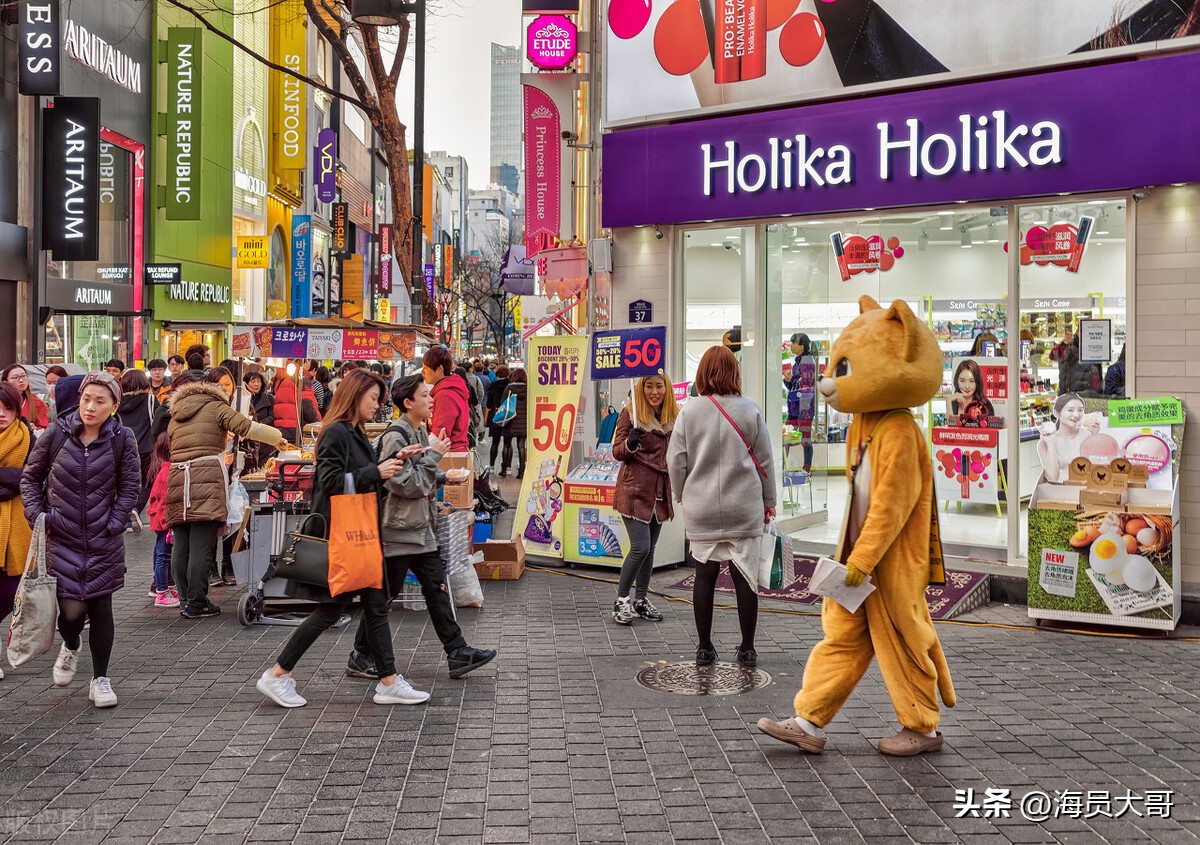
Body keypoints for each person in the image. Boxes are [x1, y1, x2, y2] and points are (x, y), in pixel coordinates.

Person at [757, 296, 956, 758]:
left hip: (888, 564)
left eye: (842, 368)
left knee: (904, 638)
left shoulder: (902, 432)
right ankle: (808, 720)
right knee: (842, 638)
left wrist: (863, 557)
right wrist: (852, 557)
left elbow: (890, 507)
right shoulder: (864, 424)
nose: (828, 380)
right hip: (857, 563)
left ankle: (923, 727)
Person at [255, 369, 428, 708]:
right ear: (355, 395)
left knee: (372, 607)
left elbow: (362, 475)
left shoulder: (353, 431)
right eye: (373, 398)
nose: (377, 406)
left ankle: (389, 680)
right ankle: (277, 674)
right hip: (343, 536)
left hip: (358, 535)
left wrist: (393, 461)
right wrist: (376, 472)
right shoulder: (337, 432)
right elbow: (332, 482)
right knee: (331, 611)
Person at [351, 374, 498, 680]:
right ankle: (361, 655)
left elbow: (419, 473)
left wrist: (445, 477)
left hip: (420, 527)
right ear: (408, 402)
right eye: (426, 395)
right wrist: (435, 458)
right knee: (385, 597)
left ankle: (457, 652)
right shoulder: (396, 435)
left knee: (436, 589)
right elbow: (403, 484)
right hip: (400, 529)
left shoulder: (419, 430)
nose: (432, 400)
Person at [21, 372, 140, 708]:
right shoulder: (57, 432)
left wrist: (115, 522)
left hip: (103, 538)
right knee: (71, 611)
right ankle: (71, 643)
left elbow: (131, 485)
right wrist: (40, 518)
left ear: (114, 406)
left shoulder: (122, 438)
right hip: (62, 536)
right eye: (87, 398)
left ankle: (100, 679)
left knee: (101, 606)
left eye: (100, 401)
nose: (90, 406)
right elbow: (30, 479)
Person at [667, 346, 775, 668]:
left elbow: (675, 460)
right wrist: (768, 502)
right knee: (745, 577)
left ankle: (704, 647)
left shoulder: (689, 411)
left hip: (702, 507)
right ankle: (747, 648)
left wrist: (681, 493)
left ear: (702, 373)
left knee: (704, 574)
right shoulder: (750, 409)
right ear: (734, 372)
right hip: (743, 505)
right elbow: (765, 461)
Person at [166, 373, 286, 619]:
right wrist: (277, 438)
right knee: (201, 541)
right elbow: (247, 426)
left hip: (177, 477)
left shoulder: (176, 414)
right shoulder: (216, 406)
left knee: (182, 541)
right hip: (205, 476)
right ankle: (197, 603)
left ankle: (186, 599)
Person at [610, 374, 678, 626]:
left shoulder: (673, 416)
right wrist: (630, 443)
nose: (654, 391)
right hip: (634, 489)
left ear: (666, 388)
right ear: (641, 389)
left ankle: (640, 600)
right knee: (641, 547)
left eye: (658, 386)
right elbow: (617, 451)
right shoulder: (631, 413)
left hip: (659, 491)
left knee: (650, 550)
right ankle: (621, 600)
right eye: (648, 386)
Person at [0, 383, 36, 674]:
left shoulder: (27, 437)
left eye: (8, 408)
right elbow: (21, 476)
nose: (2, 414)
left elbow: (34, 475)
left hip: (17, 525)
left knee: (10, 592)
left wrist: (16, 477)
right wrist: (15, 476)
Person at [117, 369, 158, 523]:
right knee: (148, 480)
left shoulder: (116, 402)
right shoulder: (150, 401)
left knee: (126, 481)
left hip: (123, 448)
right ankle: (136, 508)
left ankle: (124, 513)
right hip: (146, 448)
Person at [145, 432, 179, 608]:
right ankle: (162, 592)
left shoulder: (161, 467)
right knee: (163, 555)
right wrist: (170, 522)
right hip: (165, 520)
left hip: (161, 519)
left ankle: (164, 586)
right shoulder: (168, 470)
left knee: (162, 553)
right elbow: (164, 499)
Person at [1037, 393, 1102, 483]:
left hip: (1086, 491)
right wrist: (1051, 443)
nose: (1076, 415)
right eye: (1070, 410)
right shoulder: (1044, 444)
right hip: (1059, 493)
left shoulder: (1087, 435)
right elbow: (1052, 478)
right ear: (1056, 413)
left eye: (1080, 410)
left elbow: (1099, 468)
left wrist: (1095, 438)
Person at [423, 347, 471, 451]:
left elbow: (441, 434)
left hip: (449, 455)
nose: (423, 371)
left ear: (440, 369)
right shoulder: (446, 390)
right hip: (453, 452)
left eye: (426, 368)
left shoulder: (445, 395)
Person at [786, 332, 818, 474]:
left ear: (802, 346)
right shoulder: (798, 362)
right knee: (786, 437)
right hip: (794, 408)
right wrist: (788, 380)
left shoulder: (807, 361)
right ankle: (782, 467)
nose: (791, 345)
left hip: (804, 409)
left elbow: (806, 386)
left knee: (805, 440)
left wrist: (791, 379)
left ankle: (807, 469)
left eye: (794, 343)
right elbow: (795, 386)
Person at [272, 366, 322, 448]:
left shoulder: (281, 378)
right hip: (298, 430)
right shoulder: (301, 378)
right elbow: (307, 407)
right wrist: (317, 424)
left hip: (282, 428)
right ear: (307, 361)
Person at [243, 370, 275, 473]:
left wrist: (258, 425)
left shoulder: (269, 399)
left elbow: (273, 417)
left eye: (259, 381)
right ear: (246, 383)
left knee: (264, 470)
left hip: (265, 442)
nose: (256, 384)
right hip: (248, 442)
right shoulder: (243, 399)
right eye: (253, 381)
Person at [501, 368, 528, 478]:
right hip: (523, 422)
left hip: (510, 421)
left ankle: (504, 470)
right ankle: (521, 473)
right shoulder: (529, 389)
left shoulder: (509, 388)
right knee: (521, 446)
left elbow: (502, 403)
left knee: (507, 445)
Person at [2, 365, 49, 429]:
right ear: (5, 382)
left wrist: (34, 428)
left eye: (23, 376)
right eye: (15, 377)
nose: (21, 380)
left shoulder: (37, 402)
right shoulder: (1, 401)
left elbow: (44, 427)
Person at [485, 365, 511, 469]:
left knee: (495, 443)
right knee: (507, 444)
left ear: (497, 374)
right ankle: (507, 467)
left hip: (495, 415)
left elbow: (489, 403)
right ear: (508, 374)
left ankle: (491, 466)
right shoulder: (511, 385)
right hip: (507, 416)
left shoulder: (493, 386)